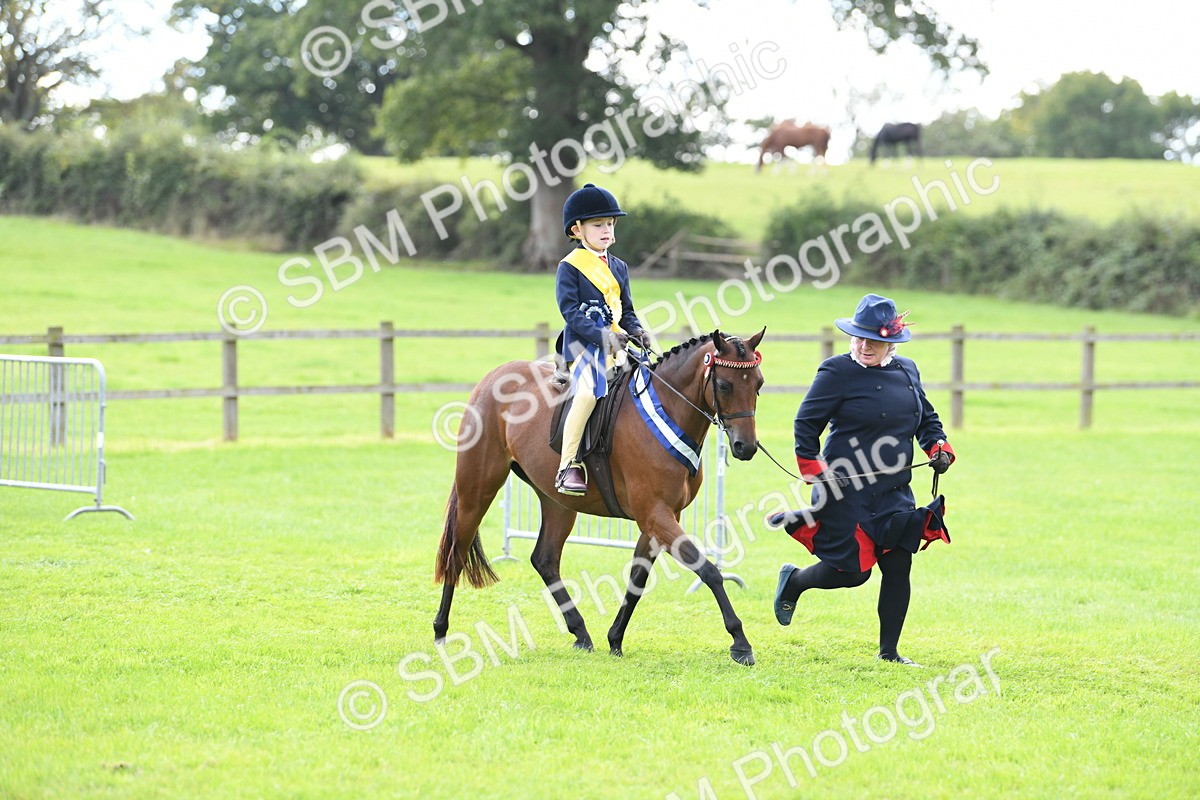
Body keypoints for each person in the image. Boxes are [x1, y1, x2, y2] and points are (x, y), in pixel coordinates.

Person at [771, 293, 955, 666]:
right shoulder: (836, 372)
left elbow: (926, 419)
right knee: (853, 575)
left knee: (899, 563)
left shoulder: (908, 371)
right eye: (858, 337)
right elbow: (806, 424)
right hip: (844, 489)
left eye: (873, 339)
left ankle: (889, 653)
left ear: (891, 343)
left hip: (894, 491)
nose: (863, 345)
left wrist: (937, 446)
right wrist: (812, 469)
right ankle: (794, 581)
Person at [554, 183, 651, 496]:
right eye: (598, 225)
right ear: (578, 230)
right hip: (583, 347)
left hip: (618, 345)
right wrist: (602, 337)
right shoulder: (569, 267)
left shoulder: (619, 267)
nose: (607, 230)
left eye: (610, 224)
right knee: (586, 395)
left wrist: (637, 331)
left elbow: (627, 312)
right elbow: (571, 313)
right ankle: (568, 464)